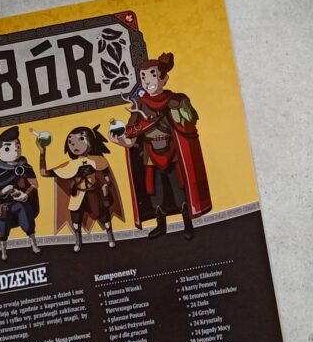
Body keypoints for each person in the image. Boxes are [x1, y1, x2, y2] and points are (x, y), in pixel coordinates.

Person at [115, 52, 212, 239]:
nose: (147, 80)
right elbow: (131, 139)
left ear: (164, 79)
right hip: (151, 156)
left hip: (173, 154)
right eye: (143, 76)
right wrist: (118, 140)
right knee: (155, 192)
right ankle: (161, 226)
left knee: (179, 189)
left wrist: (179, 109)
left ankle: (187, 224)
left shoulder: (175, 100)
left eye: (152, 75)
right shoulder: (138, 106)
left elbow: (188, 124)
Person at [39, 126, 123, 251]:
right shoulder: (69, 165)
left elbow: (107, 176)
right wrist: (42, 152)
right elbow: (44, 173)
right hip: (77, 196)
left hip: (94, 193)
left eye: (81, 139)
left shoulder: (98, 160)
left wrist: (107, 184)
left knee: (104, 215)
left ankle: (110, 237)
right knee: (76, 219)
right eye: (71, 141)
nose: (75, 144)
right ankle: (78, 242)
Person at [0, 127, 41, 259]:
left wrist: (25, 194)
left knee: (25, 213)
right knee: (2, 219)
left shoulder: (25, 167)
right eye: (8, 148)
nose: (15, 150)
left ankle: (33, 243)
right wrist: (3, 191)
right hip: (3, 205)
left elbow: (35, 185)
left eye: (17, 146)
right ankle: (3, 250)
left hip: (19, 202)